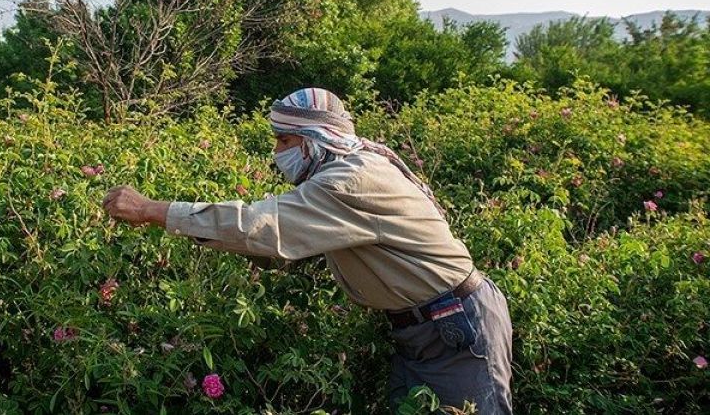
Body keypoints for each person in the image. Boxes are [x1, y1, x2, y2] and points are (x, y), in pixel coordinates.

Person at [102, 87, 513, 413]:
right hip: (427, 328)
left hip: (455, 330)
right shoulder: (345, 171)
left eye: (284, 140)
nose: (277, 152)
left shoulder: (348, 181)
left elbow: (260, 226)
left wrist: (149, 210)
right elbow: (277, 241)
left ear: (315, 140)